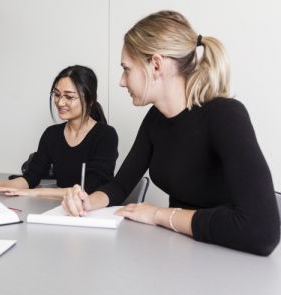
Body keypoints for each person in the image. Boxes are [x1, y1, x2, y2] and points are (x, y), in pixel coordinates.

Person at [62, 11, 280, 255]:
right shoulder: (155, 118)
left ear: (156, 65)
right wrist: (89, 202)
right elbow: (121, 185)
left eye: (126, 69)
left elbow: (262, 231)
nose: (122, 82)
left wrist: (158, 214)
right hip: (182, 252)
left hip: (231, 258)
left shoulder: (226, 116)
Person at [0, 65, 118, 199]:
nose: (60, 103)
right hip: (60, 209)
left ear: (90, 100)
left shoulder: (106, 135)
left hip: (92, 213)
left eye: (69, 97)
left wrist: (32, 193)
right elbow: (30, 178)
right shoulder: (52, 134)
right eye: (57, 94)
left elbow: (88, 189)